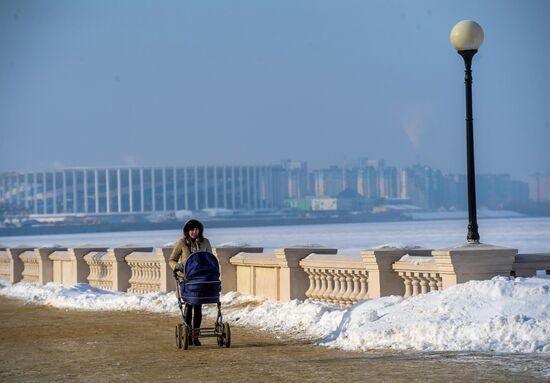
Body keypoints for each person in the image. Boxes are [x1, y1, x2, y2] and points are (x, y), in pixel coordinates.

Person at [170, 219, 212, 346]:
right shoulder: (182, 243)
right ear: (187, 231)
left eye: (197, 229)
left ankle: (195, 336)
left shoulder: (205, 242)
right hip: (186, 279)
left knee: (198, 306)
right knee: (188, 305)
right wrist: (177, 266)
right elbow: (172, 259)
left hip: (200, 279)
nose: (195, 232)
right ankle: (188, 333)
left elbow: (209, 258)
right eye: (192, 230)